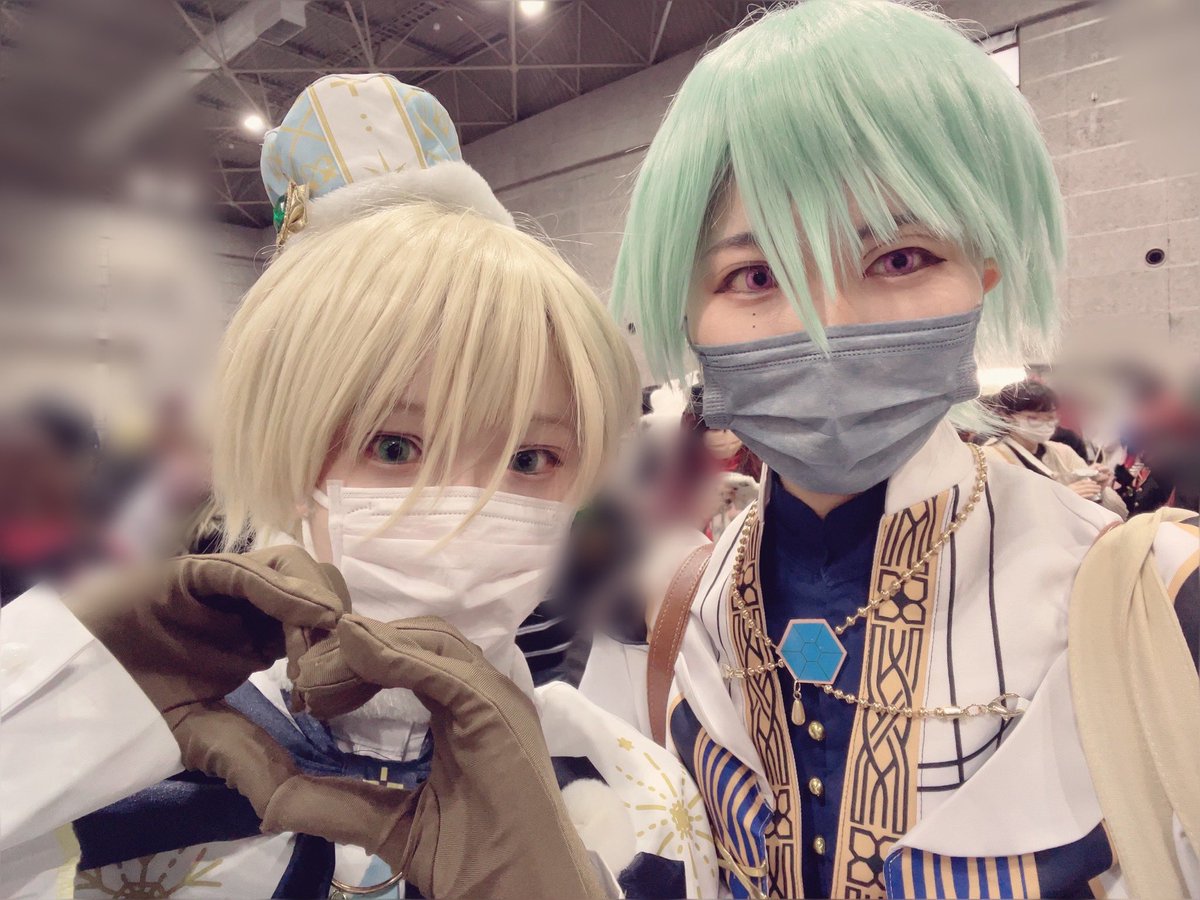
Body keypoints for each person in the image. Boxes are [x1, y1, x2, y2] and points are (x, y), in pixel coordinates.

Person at [1, 75, 720, 899]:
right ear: (286, 453)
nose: (464, 513)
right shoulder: (106, 793)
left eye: (529, 459)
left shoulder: (634, 797)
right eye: (394, 445)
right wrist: (64, 699)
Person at [583, 2, 1200, 898]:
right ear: (687, 314)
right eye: (756, 275)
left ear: (983, 272)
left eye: (900, 258)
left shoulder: (1146, 598)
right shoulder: (686, 612)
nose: (827, 329)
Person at [984, 380, 1128, 518]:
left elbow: (1120, 513)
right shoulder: (989, 458)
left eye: (1050, 418)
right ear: (1006, 416)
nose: (1044, 425)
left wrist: (1100, 490)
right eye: (1033, 418)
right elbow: (998, 514)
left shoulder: (1063, 452)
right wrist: (1061, 499)